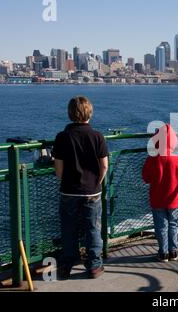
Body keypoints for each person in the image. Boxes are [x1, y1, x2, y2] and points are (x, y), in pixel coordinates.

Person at [52, 96, 108, 279]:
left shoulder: (62, 137)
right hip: (92, 191)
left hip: (69, 190)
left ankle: (66, 265)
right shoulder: (97, 136)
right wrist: (97, 181)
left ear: (70, 114)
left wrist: (66, 180)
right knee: (93, 228)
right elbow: (104, 165)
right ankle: (94, 266)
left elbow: (58, 169)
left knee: (68, 229)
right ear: (89, 113)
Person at [142, 124, 178, 262]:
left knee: (161, 226)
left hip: (157, 199)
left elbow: (145, 177)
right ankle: (173, 251)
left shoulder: (152, 159)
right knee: (173, 224)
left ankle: (163, 253)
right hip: (174, 199)